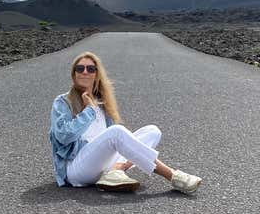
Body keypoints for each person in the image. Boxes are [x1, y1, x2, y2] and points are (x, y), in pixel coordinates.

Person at [49, 51, 203, 193]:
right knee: (117, 132)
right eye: (80, 68)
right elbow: (64, 136)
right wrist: (88, 111)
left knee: (153, 131)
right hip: (76, 169)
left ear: (97, 74)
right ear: (74, 74)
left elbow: (108, 142)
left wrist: (94, 106)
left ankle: (116, 170)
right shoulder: (63, 101)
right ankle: (173, 176)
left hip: (101, 165)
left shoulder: (101, 104)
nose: (84, 72)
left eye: (90, 69)